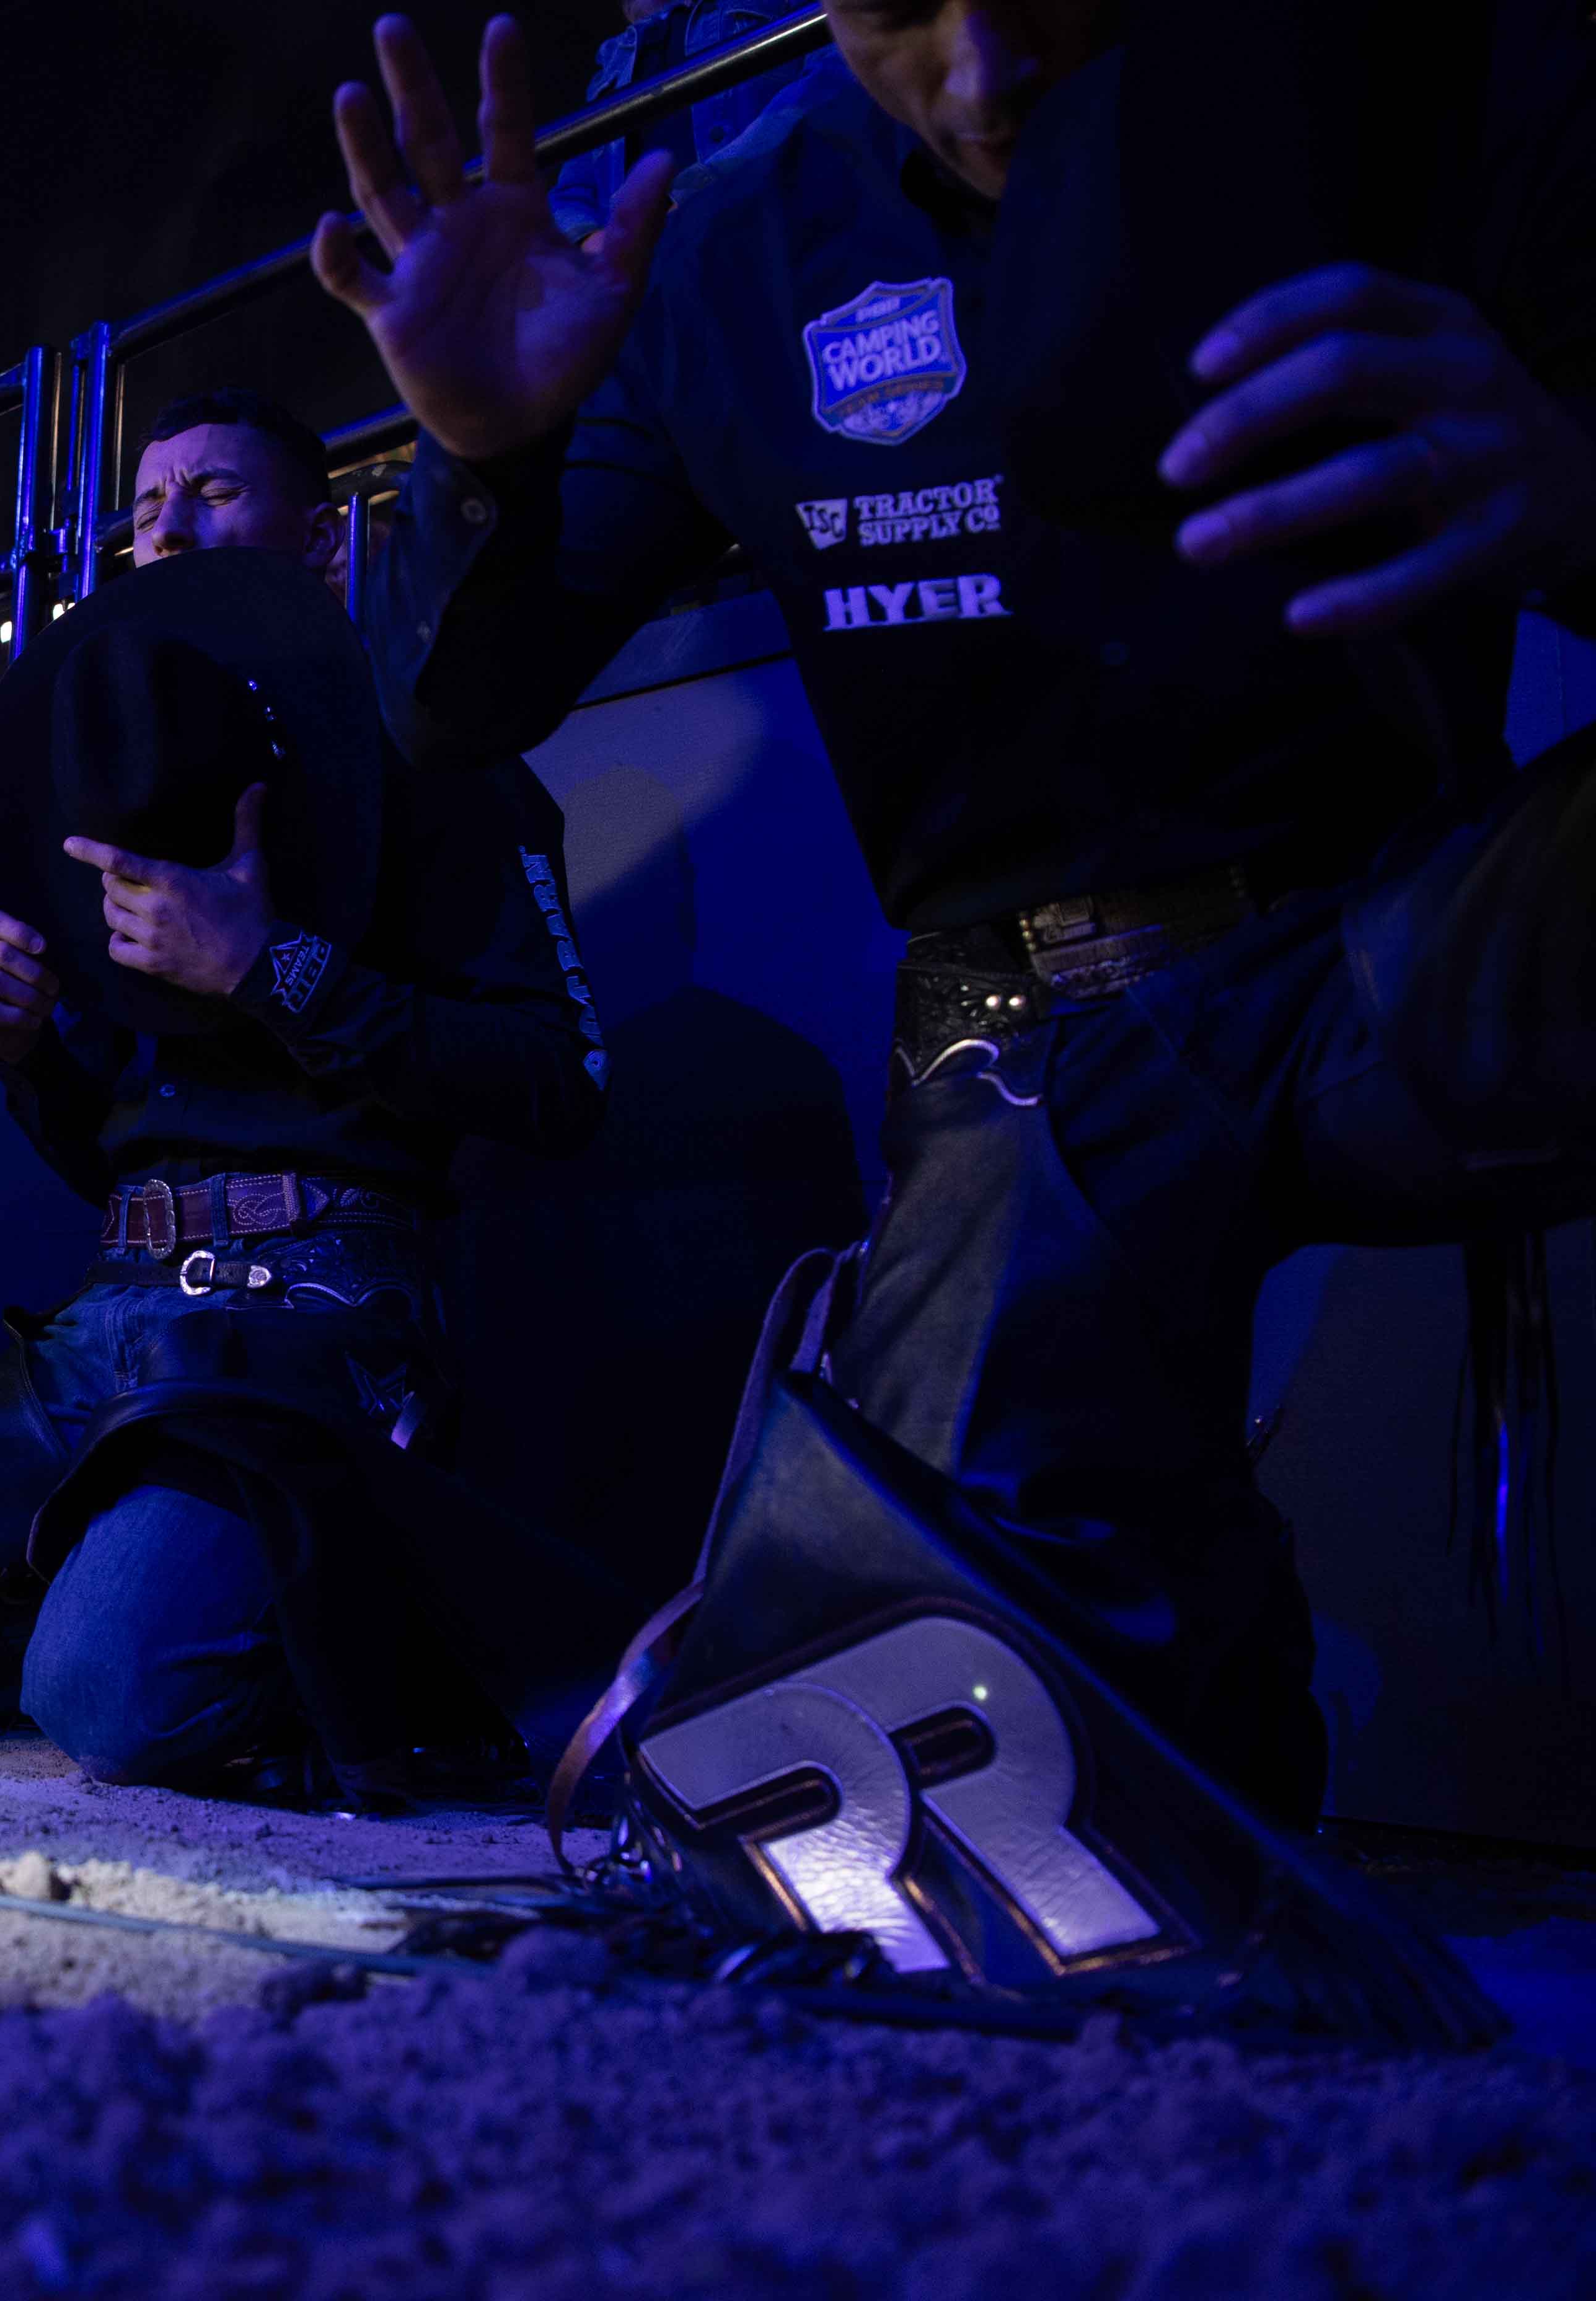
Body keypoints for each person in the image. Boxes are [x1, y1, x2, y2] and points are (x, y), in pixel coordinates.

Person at [302, 6, 1596, 2010]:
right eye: (904, 8)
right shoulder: (736, 245)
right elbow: (448, 712)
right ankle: (1186, 1654)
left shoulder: (1427, 85)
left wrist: (1578, 486)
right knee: (935, 1805)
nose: (984, 71)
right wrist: (481, 464)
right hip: (1021, 1060)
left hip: (1400, 942)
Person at [0, 419, 613, 1803]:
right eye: (143, 505)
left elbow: (563, 1082)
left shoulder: (437, 762)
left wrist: (269, 965)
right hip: (112, 1320)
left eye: (213, 490)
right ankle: (149, 1614)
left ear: (317, 537)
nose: (168, 526)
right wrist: (25, 1051)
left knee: (110, 1700)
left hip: (310, 1318)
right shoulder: (111, 787)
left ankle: (297, 1644)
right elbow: (102, 1156)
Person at [544, 0, 833, 246]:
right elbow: (571, 187)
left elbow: (827, 84)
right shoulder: (614, 58)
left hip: (764, 239)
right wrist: (592, 243)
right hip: (650, 271)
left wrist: (694, 196)